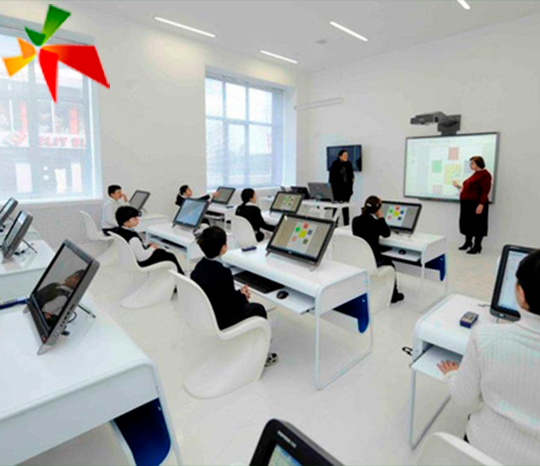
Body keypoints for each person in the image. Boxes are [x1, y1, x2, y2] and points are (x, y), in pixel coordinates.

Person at [438, 250, 540, 465]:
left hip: (481, 451)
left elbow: (464, 398)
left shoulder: (485, 337)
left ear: (520, 293)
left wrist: (452, 374)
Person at [191, 226, 278, 366]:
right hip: (222, 318)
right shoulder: (223, 273)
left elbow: (222, 295)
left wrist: (238, 294)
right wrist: (242, 296)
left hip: (208, 313)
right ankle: (263, 352)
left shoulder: (198, 268)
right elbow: (232, 304)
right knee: (258, 308)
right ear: (223, 248)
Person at [352, 196, 404, 303]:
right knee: (390, 263)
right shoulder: (375, 223)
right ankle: (394, 296)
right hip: (373, 260)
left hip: (360, 258)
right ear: (377, 209)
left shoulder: (355, 221)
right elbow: (386, 233)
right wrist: (381, 217)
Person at [113, 206, 183, 274]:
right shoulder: (133, 238)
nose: (138, 220)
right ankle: (181, 275)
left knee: (160, 251)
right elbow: (142, 257)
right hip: (143, 262)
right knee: (170, 256)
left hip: (131, 258)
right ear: (126, 222)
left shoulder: (120, 230)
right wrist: (152, 248)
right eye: (134, 218)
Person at [452, 156, 492, 255]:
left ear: (479, 163)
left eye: (472, 163)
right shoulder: (475, 174)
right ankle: (468, 243)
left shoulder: (485, 175)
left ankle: (477, 246)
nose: (470, 165)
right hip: (467, 204)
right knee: (467, 224)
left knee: (477, 225)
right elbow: (471, 188)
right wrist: (459, 186)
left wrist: (481, 204)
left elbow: (485, 191)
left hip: (476, 204)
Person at [329, 149, 354, 225]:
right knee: (336, 208)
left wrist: (351, 185)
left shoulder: (349, 164)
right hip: (337, 190)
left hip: (347, 190)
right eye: (344, 155)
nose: (346, 157)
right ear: (340, 156)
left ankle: (346, 224)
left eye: (347, 155)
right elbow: (331, 178)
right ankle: (334, 224)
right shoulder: (335, 164)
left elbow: (351, 176)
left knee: (345, 208)